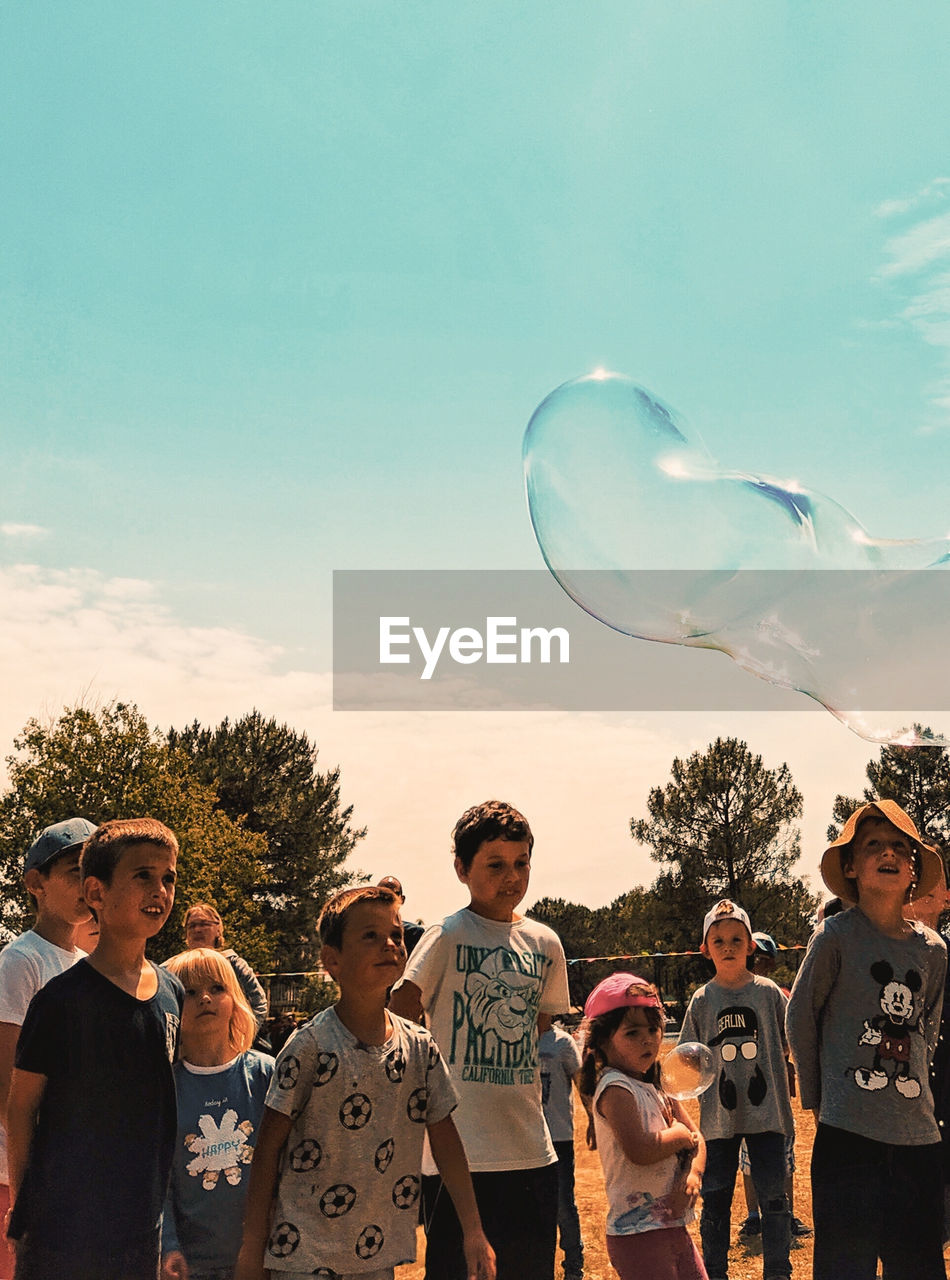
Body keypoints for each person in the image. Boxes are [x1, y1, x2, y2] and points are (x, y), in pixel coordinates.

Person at [235, 884, 495, 1280]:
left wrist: (473, 1230)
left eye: (395, 935)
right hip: (303, 1255)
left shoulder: (420, 1047)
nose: (389, 944)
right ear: (332, 960)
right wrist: (252, 1249)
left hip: (376, 1256)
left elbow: (445, 1140)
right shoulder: (308, 1047)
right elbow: (268, 1149)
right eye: (370, 936)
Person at [390, 799, 570, 1280]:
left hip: (532, 1152)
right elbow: (400, 1008)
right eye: (495, 865)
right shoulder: (446, 934)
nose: (511, 877)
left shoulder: (546, 944)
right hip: (459, 1156)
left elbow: (539, 1021)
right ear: (461, 869)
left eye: (521, 863)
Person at [5, 816, 183, 1280]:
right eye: (142, 875)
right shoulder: (59, 999)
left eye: (168, 878)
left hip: (141, 1227)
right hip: (63, 1230)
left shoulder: (171, 993)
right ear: (96, 893)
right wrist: (24, 1213)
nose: (159, 890)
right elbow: (21, 1107)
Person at [787, 799, 948, 1280]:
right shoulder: (835, 937)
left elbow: (929, 1029)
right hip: (847, 1135)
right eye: (873, 845)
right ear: (852, 867)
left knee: (918, 1263)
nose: (889, 853)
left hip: (918, 1138)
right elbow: (800, 1015)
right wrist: (820, 1097)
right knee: (844, 1266)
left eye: (901, 847)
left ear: (914, 871)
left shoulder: (935, 951)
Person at [0, 817, 97, 1280]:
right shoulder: (20, 961)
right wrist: (27, 1188)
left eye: (94, 871)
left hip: (69, 1171)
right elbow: (7, 1088)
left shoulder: (87, 964)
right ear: (36, 883)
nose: (87, 884)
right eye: (74, 871)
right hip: (16, 1175)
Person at [679, 900, 793, 1280]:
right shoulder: (701, 1000)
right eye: (718, 940)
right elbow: (686, 1058)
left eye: (736, 939)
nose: (727, 947)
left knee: (776, 1200)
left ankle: (778, 1270)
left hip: (770, 1114)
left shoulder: (769, 993)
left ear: (750, 947)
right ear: (705, 949)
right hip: (718, 1120)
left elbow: (790, 1040)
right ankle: (715, 1272)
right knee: (716, 1201)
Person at [581, 972, 707, 1280]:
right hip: (636, 1234)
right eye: (632, 1033)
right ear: (603, 1040)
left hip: (671, 1225)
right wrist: (676, 1136)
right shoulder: (615, 1089)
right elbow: (640, 1149)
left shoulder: (658, 1086)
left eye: (653, 1029)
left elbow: (698, 1139)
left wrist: (692, 1176)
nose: (647, 1039)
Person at [161, 946, 275, 1280]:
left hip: (264, 1257)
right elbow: (160, 1182)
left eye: (216, 988)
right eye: (191, 992)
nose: (205, 998)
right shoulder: (165, 1088)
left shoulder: (265, 1074)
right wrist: (168, 1245)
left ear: (235, 998)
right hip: (194, 1264)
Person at [736, 933, 811, 1242]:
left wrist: (787, 1058)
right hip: (744, 1093)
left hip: (775, 1092)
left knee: (784, 1156)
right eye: (758, 961)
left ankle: (786, 1213)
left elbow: (792, 1032)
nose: (762, 967)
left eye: (767, 962)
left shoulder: (777, 995)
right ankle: (754, 1216)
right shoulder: (735, 993)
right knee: (748, 1158)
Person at [903, 854, 950, 1240]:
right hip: (904, 1124)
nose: (918, 895)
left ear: (946, 897)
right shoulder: (881, 961)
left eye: (929, 888)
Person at [539, 1019, 585, 1280]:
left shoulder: (562, 1042)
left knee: (563, 1205)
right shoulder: (517, 1039)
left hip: (559, 1137)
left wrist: (593, 1118)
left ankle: (573, 1265)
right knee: (533, 1207)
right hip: (529, 1138)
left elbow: (580, 1082)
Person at [182, 902, 269, 1030]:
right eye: (192, 926)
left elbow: (259, 1005)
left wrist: (240, 1037)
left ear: (218, 929)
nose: (197, 930)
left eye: (203, 924)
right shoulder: (174, 969)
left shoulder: (234, 965)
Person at [377, 876, 425, 953]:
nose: (387, 898)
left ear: (402, 899)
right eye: (382, 894)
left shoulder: (414, 934)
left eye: (394, 894)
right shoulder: (364, 933)